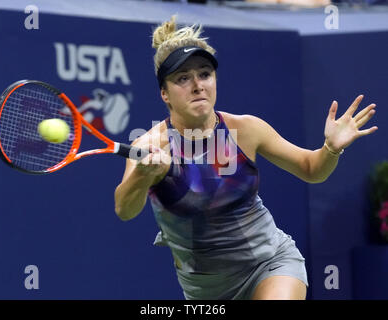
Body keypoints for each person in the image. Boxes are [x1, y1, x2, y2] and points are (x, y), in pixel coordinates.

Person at [114, 16, 378, 300]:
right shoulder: (150, 144)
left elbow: (311, 169)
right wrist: (144, 175)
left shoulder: (246, 129)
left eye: (204, 74)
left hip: (270, 262)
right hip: (205, 290)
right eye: (183, 78)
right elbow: (125, 210)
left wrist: (331, 148)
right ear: (164, 93)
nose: (197, 85)